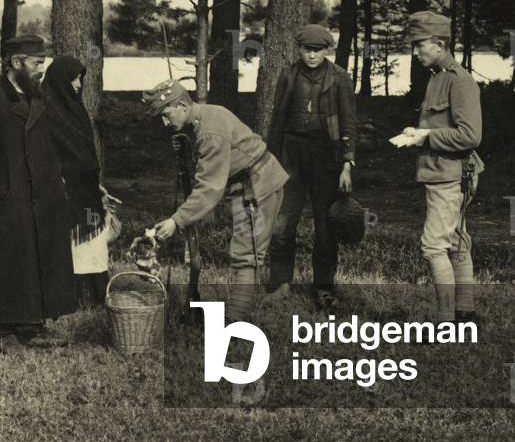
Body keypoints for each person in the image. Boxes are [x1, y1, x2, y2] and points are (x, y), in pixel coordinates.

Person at [0, 34, 77, 347]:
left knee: (40, 256)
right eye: (37, 63)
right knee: (12, 259)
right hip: (8, 194)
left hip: (44, 192)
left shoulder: (39, 98)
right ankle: (4, 326)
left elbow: (53, 146)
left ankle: (34, 325)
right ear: (16, 63)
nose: (42, 68)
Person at [144, 79, 288, 321]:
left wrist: (176, 220)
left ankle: (235, 325)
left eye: (167, 114)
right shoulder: (205, 116)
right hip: (249, 182)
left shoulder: (209, 132)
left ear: (181, 105)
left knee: (247, 255)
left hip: (257, 185)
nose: (165, 122)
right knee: (245, 252)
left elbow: (210, 187)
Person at [396, 11, 485, 322]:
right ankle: (465, 313)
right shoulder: (438, 78)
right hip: (443, 172)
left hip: (451, 174)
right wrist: (418, 133)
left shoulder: (460, 82)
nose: (416, 51)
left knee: (433, 247)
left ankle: (445, 322)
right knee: (457, 241)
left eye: (419, 44)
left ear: (438, 43)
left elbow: (470, 135)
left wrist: (425, 136)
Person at [265, 24, 358, 311]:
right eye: (307, 49)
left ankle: (323, 288)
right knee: (282, 223)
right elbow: (278, 119)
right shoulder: (288, 75)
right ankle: (281, 284)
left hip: (326, 158)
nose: (312, 55)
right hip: (291, 155)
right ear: (300, 49)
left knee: (325, 226)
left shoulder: (340, 78)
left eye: (318, 50)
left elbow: (348, 123)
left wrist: (347, 163)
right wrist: (271, 159)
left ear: (327, 50)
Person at [41, 55, 116, 308]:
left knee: (92, 245)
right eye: (73, 79)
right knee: (71, 247)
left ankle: (93, 297)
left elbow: (84, 156)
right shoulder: (45, 112)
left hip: (85, 189)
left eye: (80, 79)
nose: (77, 85)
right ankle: (72, 299)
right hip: (63, 191)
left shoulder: (76, 111)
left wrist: (95, 184)